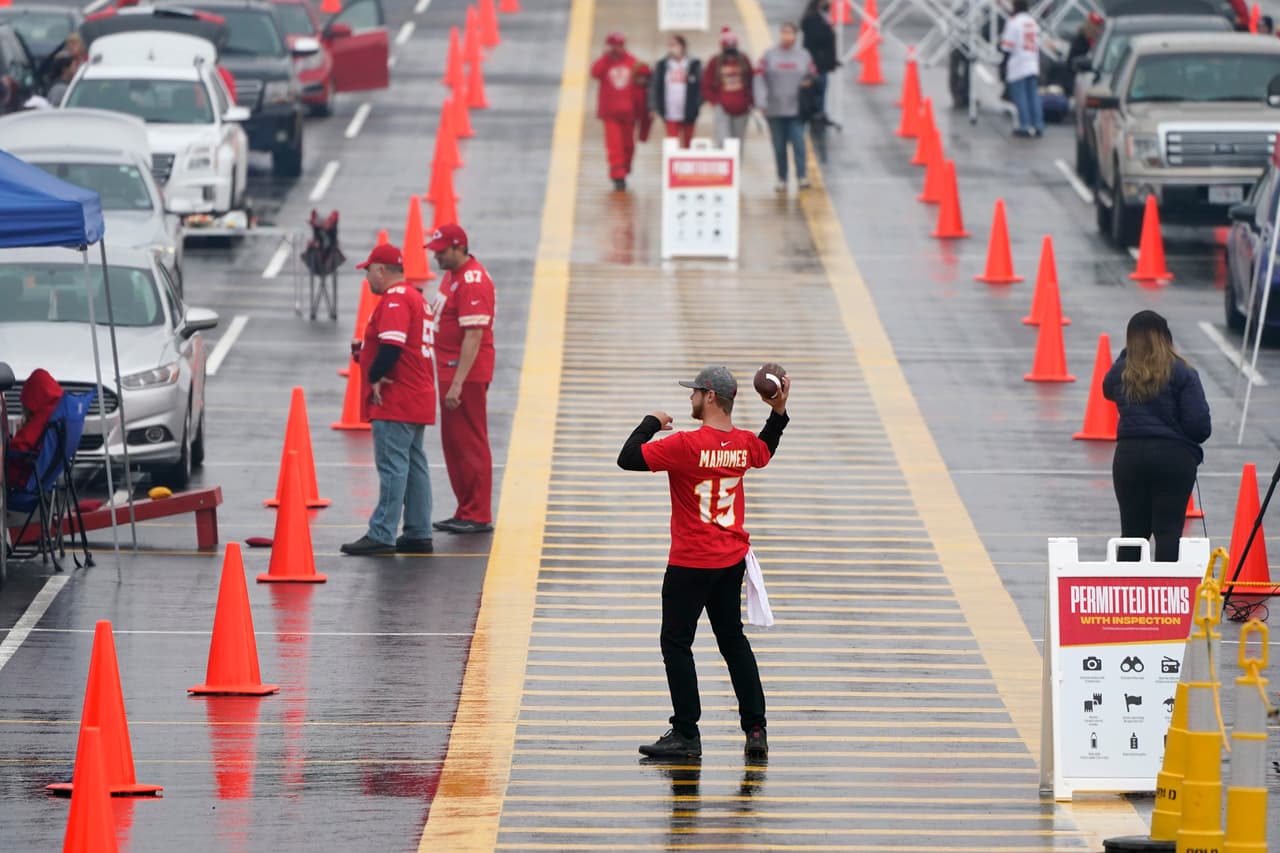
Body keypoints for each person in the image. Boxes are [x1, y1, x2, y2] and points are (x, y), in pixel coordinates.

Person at [616, 366, 791, 760]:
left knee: (676, 643)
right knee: (732, 642)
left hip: (690, 563)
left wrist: (651, 422)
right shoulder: (744, 444)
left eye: (695, 392)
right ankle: (756, 728)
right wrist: (778, 411)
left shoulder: (685, 445)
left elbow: (627, 458)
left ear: (710, 396)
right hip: (730, 560)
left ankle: (686, 733)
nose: (690, 399)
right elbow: (767, 447)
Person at [341, 243, 437, 556]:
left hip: (398, 397)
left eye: (369, 271)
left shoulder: (395, 299)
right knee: (414, 463)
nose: (367, 278)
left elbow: (392, 346)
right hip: (418, 394)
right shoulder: (416, 298)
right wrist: (366, 354)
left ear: (381, 270)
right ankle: (419, 529)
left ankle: (382, 532)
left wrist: (373, 376)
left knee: (393, 465)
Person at [1102, 311, 1211, 562]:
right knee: (1168, 532)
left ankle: (1128, 596)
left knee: (1132, 534)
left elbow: (1107, 389)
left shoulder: (1123, 372)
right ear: (1166, 338)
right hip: (1173, 459)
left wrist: (1125, 356)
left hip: (1129, 457)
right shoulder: (1182, 371)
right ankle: (1166, 597)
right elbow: (1199, 427)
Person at [427, 223, 496, 536]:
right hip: (451, 369)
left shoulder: (472, 280)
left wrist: (457, 382)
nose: (436, 256)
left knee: (469, 442)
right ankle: (465, 508)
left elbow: (474, 335)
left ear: (458, 248)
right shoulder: (452, 275)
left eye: (442, 251)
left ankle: (477, 512)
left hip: (464, 373)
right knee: (454, 443)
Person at [754, 22, 816, 191]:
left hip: (797, 109)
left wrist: (809, 83)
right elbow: (759, 77)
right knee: (779, 146)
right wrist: (761, 100)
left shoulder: (804, 55)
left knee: (799, 143)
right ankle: (782, 177)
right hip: (775, 109)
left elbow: (813, 74)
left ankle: (802, 176)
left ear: (795, 36)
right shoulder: (769, 55)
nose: (786, 36)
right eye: (783, 33)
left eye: (789, 33)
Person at [591, 32, 639, 191]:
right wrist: (606, 58)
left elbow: (641, 83)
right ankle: (618, 176)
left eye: (620, 45)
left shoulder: (633, 62)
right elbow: (595, 73)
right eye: (614, 45)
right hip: (610, 113)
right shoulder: (604, 63)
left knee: (628, 145)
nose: (617, 49)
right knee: (614, 145)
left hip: (629, 113)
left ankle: (625, 168)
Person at [4, 369, 62, 491]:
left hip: (22, 480)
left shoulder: (42, 418)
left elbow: (19, 448)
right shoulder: (59, 412)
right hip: (45, 477)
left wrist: (11, 442)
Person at [702, 27, 754, 147]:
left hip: (742, 108)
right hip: (722, 107)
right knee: (722, 140)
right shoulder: (715, 61)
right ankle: (725, 164)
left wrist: (750, 101)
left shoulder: (744, 60)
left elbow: (752, 81)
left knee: (738, 142)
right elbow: (706, 84)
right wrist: (715, 101)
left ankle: (737, 165)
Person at [1000, 0, 1044, 138]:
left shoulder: (1014, 22)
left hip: (1018, 63)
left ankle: (1024, 125)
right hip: (1032, 62)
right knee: (1033, 96)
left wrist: (1003, 64)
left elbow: (1007, 47)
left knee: (1021, 97)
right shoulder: (1032, 22)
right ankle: (1038, 124)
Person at [652, 34, 702, 148]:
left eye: (674, 45)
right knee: (672, 142)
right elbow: (655, 86)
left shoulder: (693, 64)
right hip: (670, 111)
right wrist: (655, 106)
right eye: (669, 45)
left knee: (688, 143)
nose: (672, 48)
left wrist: (696, 103)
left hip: (688, 110)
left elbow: (701, 86)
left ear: (682, 46)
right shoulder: (662, 65)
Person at [800, 0, 837, 115]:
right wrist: (828, 29)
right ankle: (816, 116)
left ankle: (819, 114)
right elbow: (818, 41)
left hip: (821, 64)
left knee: (820, 92)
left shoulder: (821, 15)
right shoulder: (813, 19)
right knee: (818, 92)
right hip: (817, 65)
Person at [633, 62, 654, 143]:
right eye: (640, 77)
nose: (642, 79)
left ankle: (643, 138)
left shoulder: (648, 90)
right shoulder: (632, 88)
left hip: (645, 112)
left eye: (645, 77)